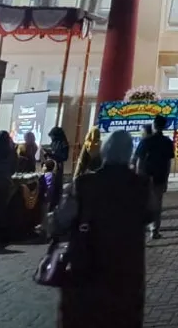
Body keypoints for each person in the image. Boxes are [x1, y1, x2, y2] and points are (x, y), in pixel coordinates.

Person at [48, 130, 149, 328]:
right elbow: (150, 214)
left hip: (88, 266)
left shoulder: (84, 184)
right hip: (127, 271)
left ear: (105, 151)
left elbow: (61, 220)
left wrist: (51, 223)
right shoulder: (142, 185)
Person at [132, 114, 175, 240]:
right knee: (157, 204)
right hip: (160, 176)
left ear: (154, 125)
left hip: (146, 176)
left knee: (143, 204)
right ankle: (154, 230)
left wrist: (138, 176)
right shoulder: (167, 142)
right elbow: (168, 162)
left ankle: (139, 230)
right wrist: (166, 178)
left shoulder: (146, 141)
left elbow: (139, 160)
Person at [46, 127, 70, 207]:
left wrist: (53, 155)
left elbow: (64, 157)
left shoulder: (63, 144)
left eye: (52, 136)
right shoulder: (53, 143)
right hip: (50, 166)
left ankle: (55, 205)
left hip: (58, 167)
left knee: (56, 186)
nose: (51, 138)